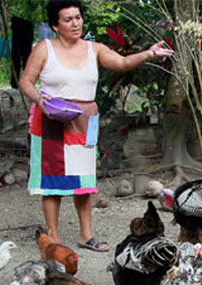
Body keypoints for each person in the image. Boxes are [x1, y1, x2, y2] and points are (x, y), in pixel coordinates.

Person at [19, 0, 172, 251]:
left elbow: (122, 63)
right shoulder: (44, 49)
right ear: (55, 25)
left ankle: (86, 235)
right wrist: (39, 100)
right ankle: (53, 237)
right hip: (51, 119)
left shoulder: (94, 49)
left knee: (83, 181)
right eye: (68, 19)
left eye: (78, 17)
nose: (75, 23)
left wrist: (149, 53)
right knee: (52, 183)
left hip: (84, 120)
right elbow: (26, 81)